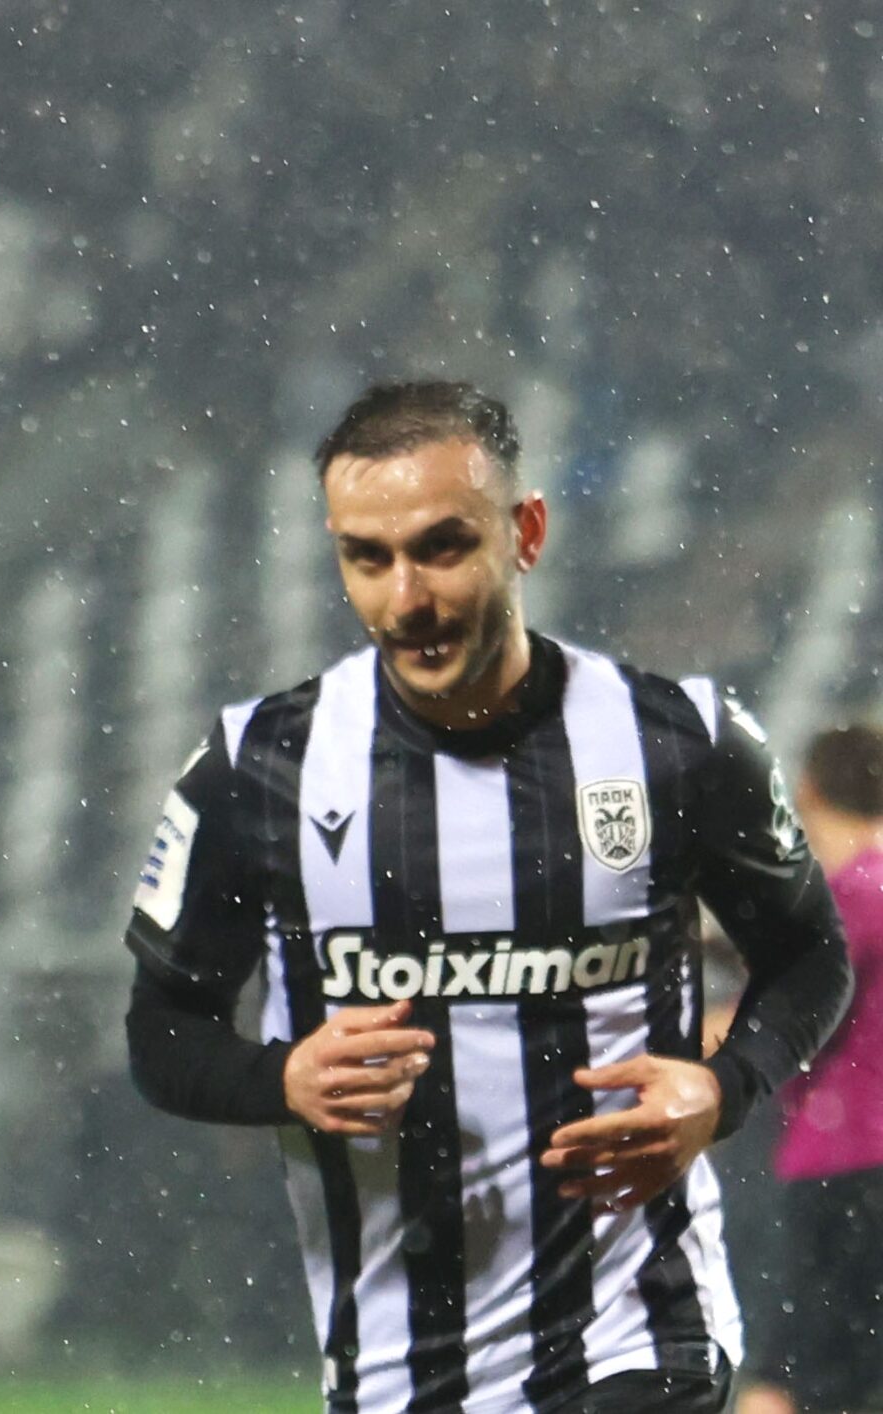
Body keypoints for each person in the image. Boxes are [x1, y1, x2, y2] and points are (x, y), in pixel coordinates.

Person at [120, 379, 853, 1414]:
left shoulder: (678, 742)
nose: (405, 598)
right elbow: (162, 1030)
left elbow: (811, 954)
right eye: (367, 557)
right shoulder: (259, 766)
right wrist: (279, 1077)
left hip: (640, 1329)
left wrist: (722, 1087)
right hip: (395, 1364)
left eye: (442, 547)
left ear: (526, 533)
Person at [737, 725, 883, 1414]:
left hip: (843, 1162)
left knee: (783, 1377)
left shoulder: (854, 891)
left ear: (806, 791)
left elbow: (790, 1009)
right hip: (864, 1164)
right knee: (846, 1378)